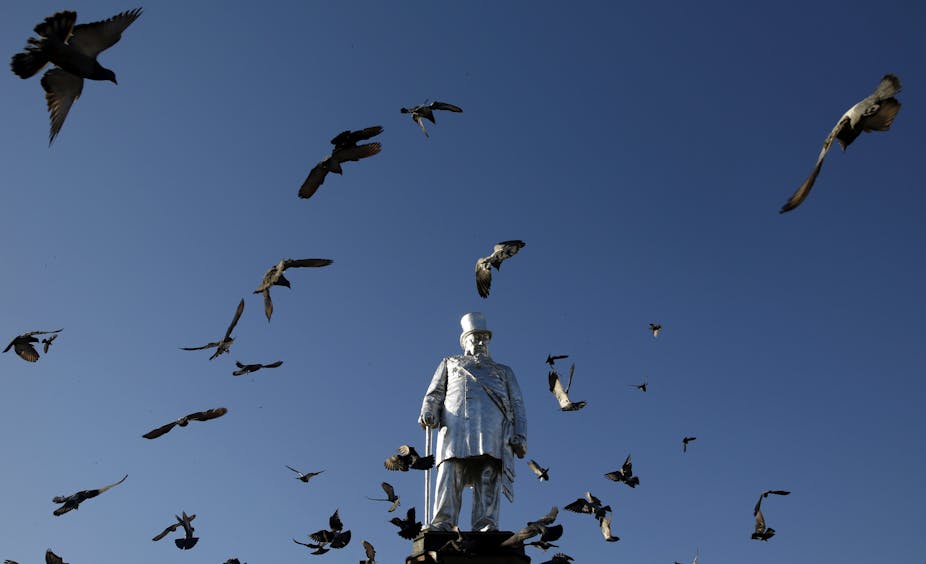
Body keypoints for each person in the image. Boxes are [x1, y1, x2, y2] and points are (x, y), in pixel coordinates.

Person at [419, 312, 528, 532]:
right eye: (475, 338)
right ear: (465, 341)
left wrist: (520, 434)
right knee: (450, 471)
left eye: (484, 339)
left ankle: (486, 523)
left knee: (488, 473)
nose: (480, 342)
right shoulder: (450, 362)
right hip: (456, 425)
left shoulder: (503, 371)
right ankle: (443, 522)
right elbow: (435, 392)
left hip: (492, 429)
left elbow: (517, 404)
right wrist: (429, 409)